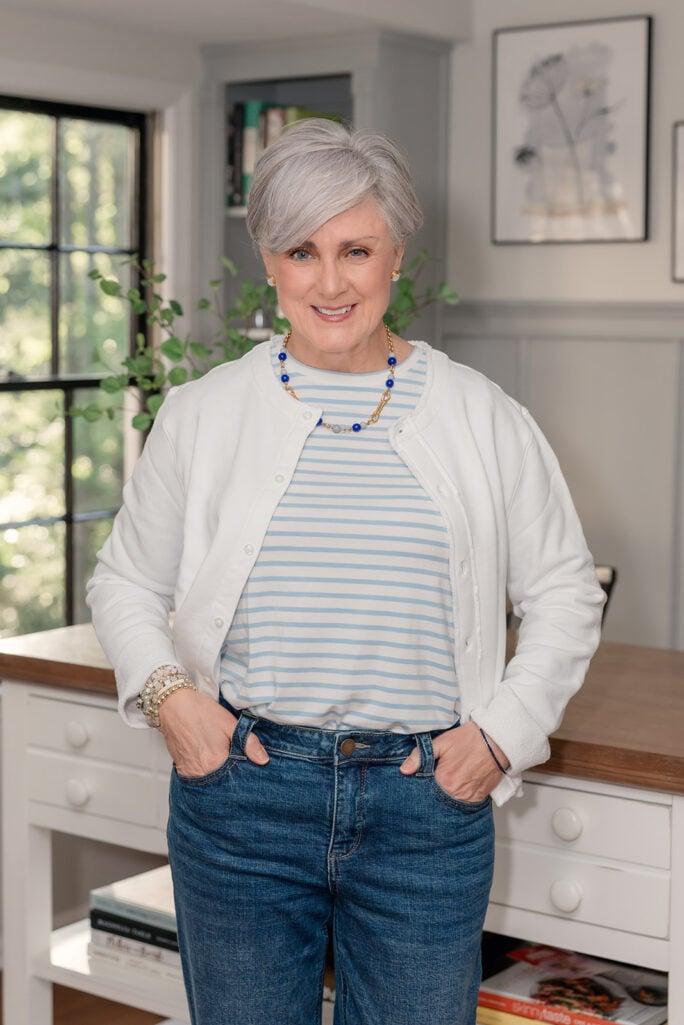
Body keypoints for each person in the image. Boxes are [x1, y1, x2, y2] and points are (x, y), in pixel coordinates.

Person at [87, 118, 605, 1025]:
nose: (330, 282)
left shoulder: (485, 417)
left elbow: (564, 590)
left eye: (356, 249)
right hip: (242, 800)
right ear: (269, 260)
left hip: (425, 810)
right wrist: (172, 700)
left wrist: (501, 733)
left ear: (396, 256)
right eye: (302, 251)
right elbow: (124, 581)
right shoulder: (202, 415)